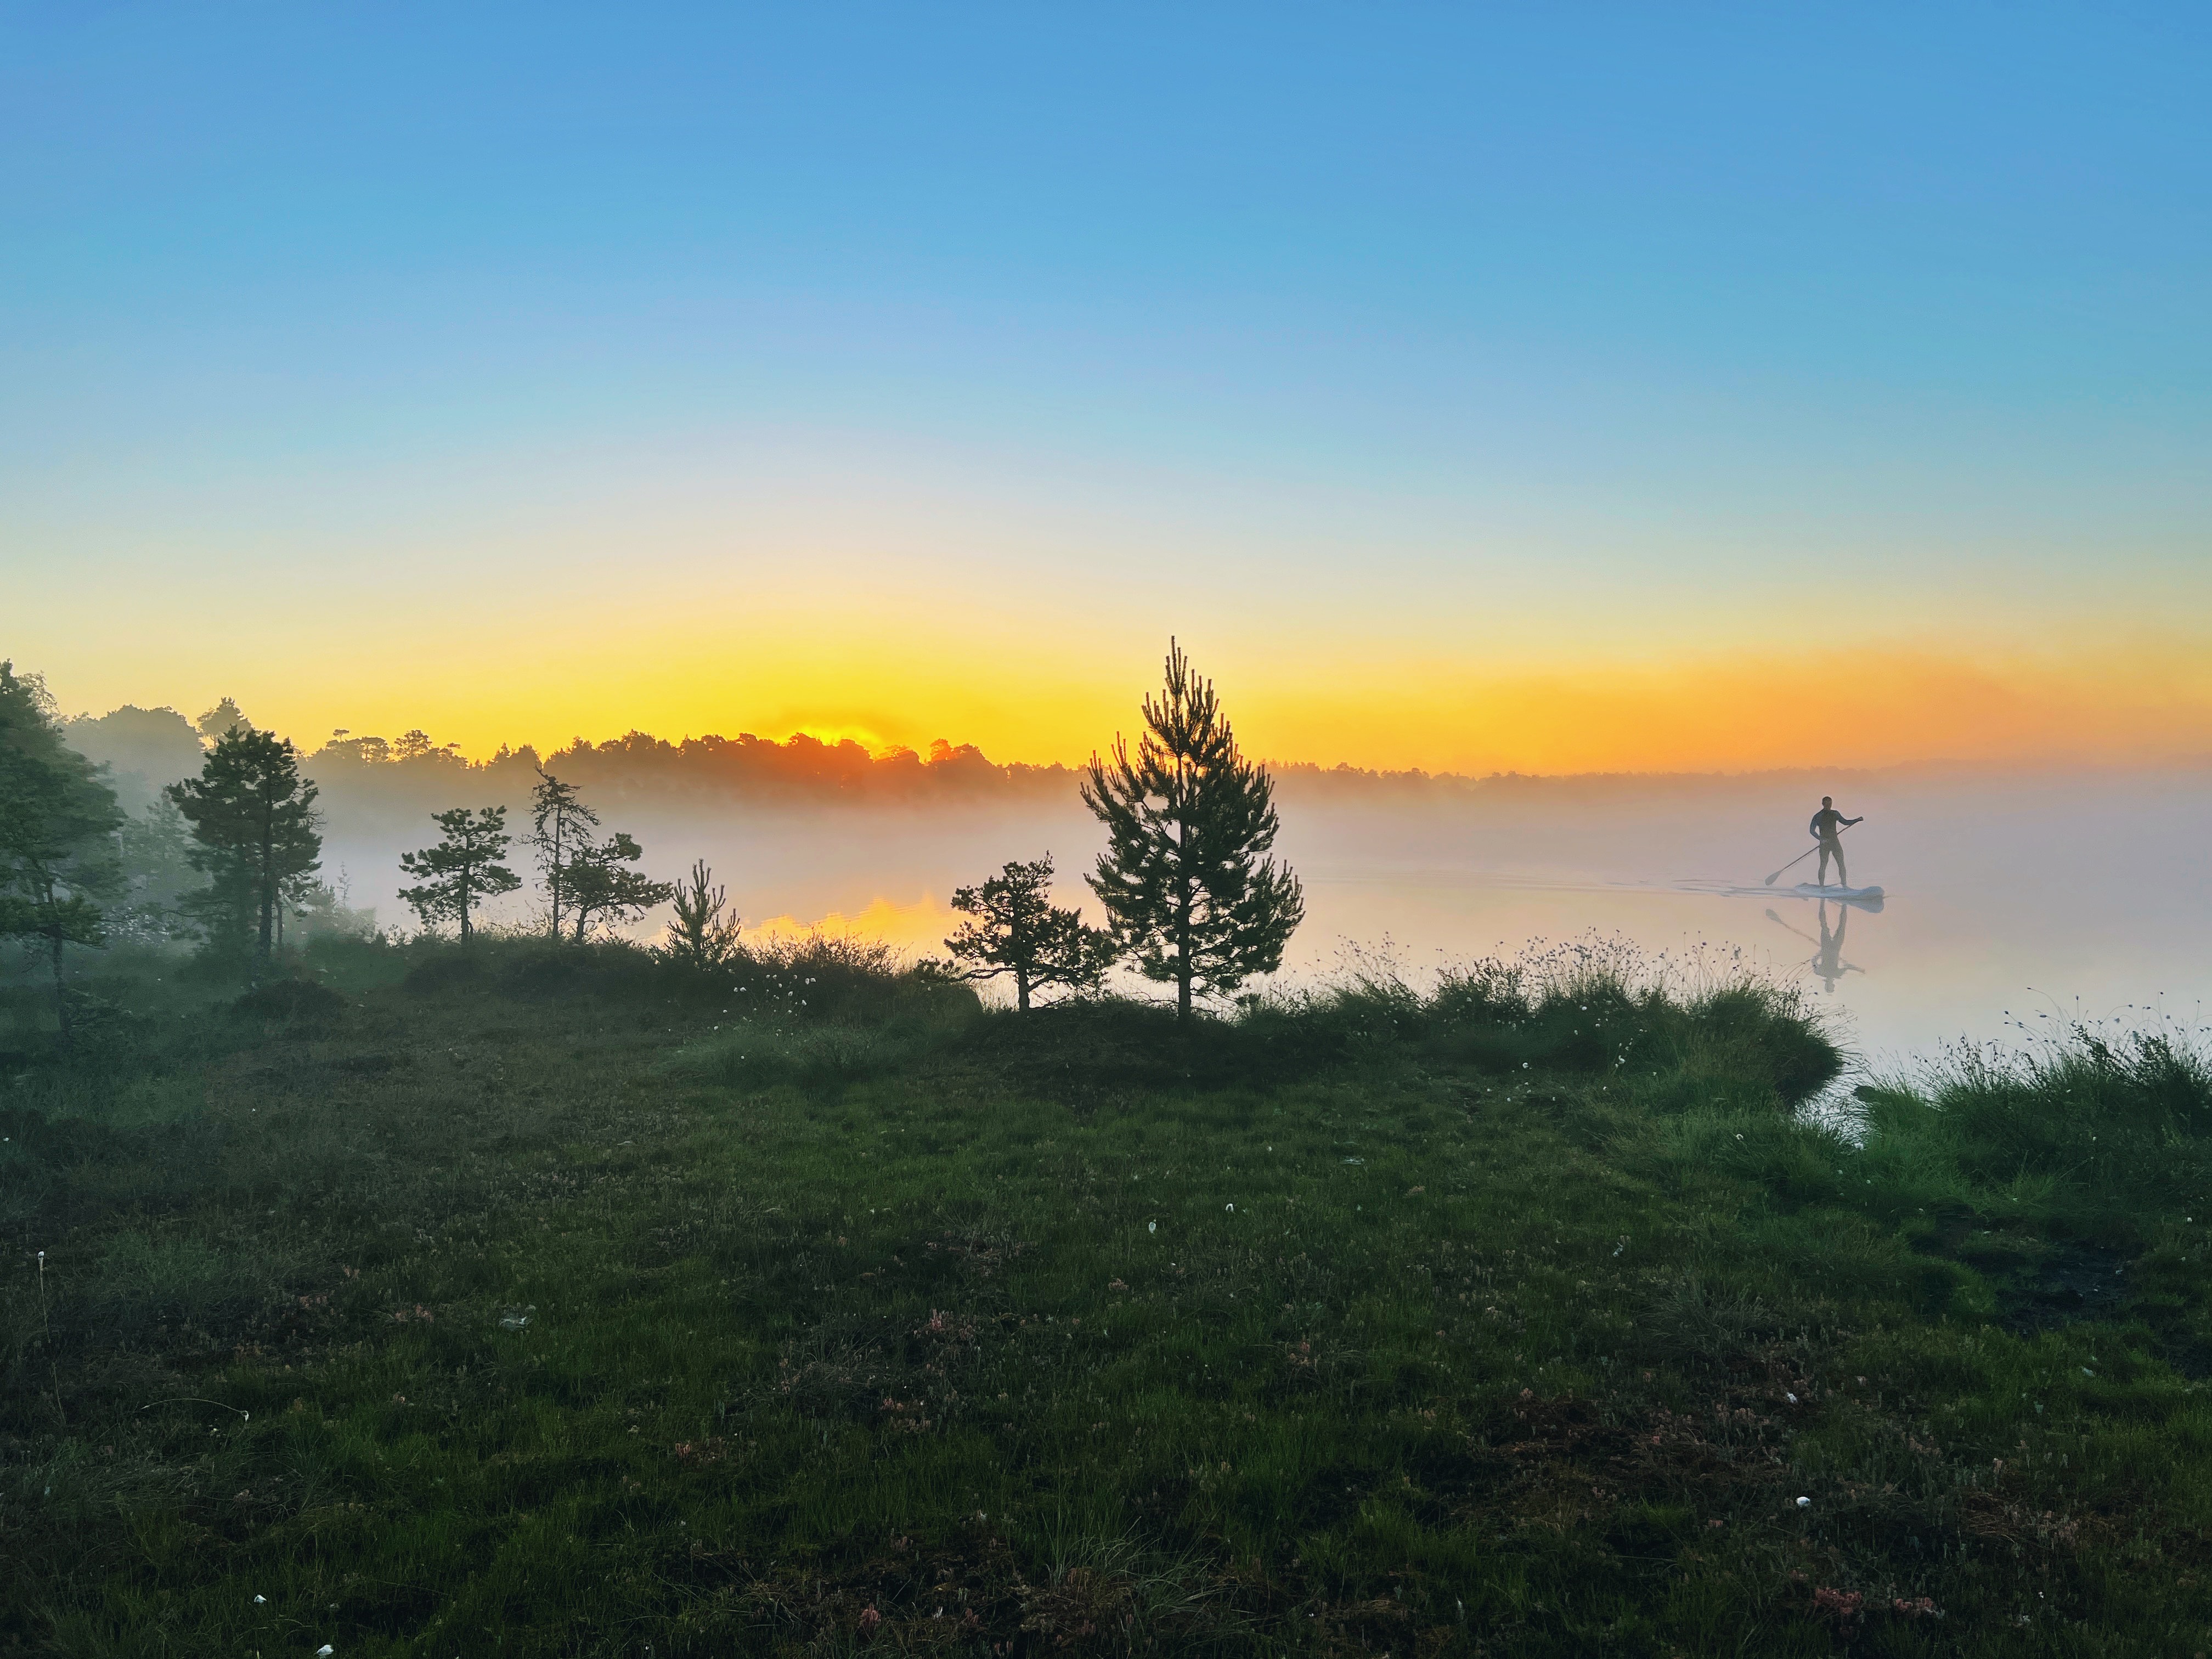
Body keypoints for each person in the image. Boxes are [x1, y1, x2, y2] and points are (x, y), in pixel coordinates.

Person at [1808, 796, 1862, 888]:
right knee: (1823, 865)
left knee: (1841, 864)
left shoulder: (1835, 814)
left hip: (1834, 842)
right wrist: (1821, 839)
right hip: (1825, 844)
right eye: (1827, 804)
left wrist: (1857, 820)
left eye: (1830, 804)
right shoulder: (1818, 816)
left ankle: (1844, 886)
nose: (1829, 806)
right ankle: (1822, 887)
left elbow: (1845, 822)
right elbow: (1812, 831)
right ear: (1823, 804)